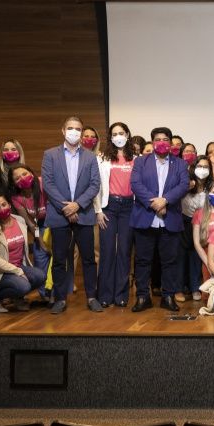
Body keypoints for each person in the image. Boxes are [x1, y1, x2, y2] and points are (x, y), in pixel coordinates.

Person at [41, 116, 101, 314]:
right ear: (63, 130)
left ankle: (92, 297)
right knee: (59, 259)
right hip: (59, 215)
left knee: (89, 259)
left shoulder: (91, 157)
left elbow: (94, 185)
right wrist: (65, 208)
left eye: (78, 129)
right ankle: (59, 298)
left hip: (83, 214)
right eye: (70, 128)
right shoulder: (50, 155)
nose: (74, 132)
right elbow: (48, 184)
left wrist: (77, 205)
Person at [129, 126, 189, 313]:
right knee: (143, 261)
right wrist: (154, 203)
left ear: (170, 143)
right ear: (152, 142)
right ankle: (142, 297)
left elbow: (183, 185)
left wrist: (165, 201)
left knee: (170, 261)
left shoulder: (179, 164)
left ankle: (168, 297)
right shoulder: (141, 162)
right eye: (157, 139)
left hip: (169, 218)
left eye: (165, 139)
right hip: (145, 217)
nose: (161, 143)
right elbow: (135, 184)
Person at [95, 122, 135, 308]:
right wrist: (98, 211)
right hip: (108, 207)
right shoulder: (102, 158)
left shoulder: (137, 158)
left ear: (127, 134)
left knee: (124, 252)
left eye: (121, 133)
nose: (118, 136)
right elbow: (96, 187)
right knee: (107, 251)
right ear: (110, 137)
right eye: (114, 134)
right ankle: (104, 294)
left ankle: (121, 295)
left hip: (129, 208)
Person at [0, 193, 46, 312]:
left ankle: (17, 298)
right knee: (24, 286)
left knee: (40, 276)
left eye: (4, 204)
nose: (2, 208)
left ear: (9, 205)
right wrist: (17, 271)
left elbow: (34, 226)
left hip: (19, 265)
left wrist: (41, 241)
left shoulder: (20, 220)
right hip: (1, 273)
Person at [8, 163, 52, 300]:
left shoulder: (42, 184)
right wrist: (41, 241)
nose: (22, 178)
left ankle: (58, 293)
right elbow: (30, 223)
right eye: (17, 178)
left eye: (24, 174)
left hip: (53, 221)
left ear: (31, 174)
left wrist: (51, 239)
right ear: (14, 183)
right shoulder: (17, 198)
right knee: (40, 255)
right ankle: (45, 294)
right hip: (38, 225)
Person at [179, 156, 212, 302]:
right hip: (184, 221)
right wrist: (186, 186)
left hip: (203, 224)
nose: (203, 170)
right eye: (200, 166)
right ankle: (179, 288)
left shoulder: (211, 187)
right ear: (193, 167)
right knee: (181, 256)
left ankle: (195, 288)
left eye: (206, 167)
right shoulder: (186, 183)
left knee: (195, 257)